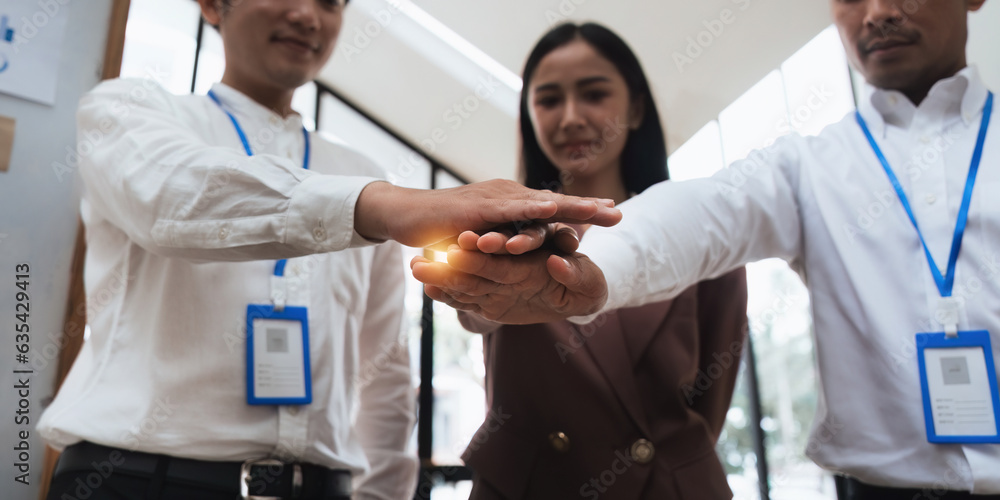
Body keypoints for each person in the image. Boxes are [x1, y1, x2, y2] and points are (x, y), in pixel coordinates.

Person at [413, 0, 1000, 498]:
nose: (878, 13)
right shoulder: (801, 168)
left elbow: (708, 401)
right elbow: (694, 219)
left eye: (594, 93)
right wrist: (585, 275)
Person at [37, 1, 620, 499]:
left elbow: (385, 372)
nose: (308, 15)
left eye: (332, 1)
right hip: (136, 479)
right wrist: (388, 207)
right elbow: (173, 198)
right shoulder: (131, 111)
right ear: (213, 5)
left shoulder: (359, 169)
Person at [454, 23, 747, 500]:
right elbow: (473, 313)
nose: (571, 117)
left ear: (634, 108)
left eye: (593, 94)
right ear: (529, 115)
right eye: (548, 99)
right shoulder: (501, 230)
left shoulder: (701, 231)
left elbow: (710, 401)